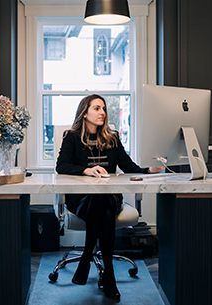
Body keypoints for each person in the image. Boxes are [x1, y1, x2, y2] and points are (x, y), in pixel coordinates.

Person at [56, 94, 164, 301]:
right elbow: (61, 166)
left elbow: (128, 167)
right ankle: (109, 274)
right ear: (84, 112)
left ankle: (87, 257)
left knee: (103, 199)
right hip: (81, 199)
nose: (102, 113)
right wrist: (86, 170)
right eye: (96, 108)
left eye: (103, 108)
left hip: (109, 197)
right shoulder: (71, 137)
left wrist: (148, 170)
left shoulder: (112, 138)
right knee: (102, 205)